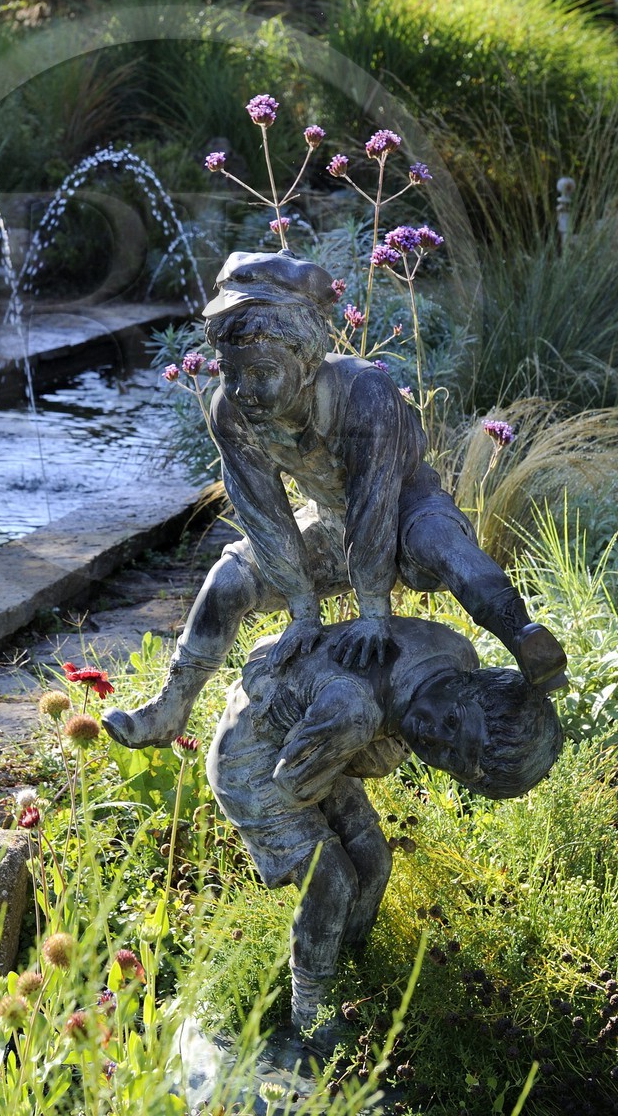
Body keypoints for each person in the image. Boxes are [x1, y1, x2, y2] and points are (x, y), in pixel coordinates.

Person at [104, 250, 566, 751]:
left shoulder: (364, 392)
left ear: (304, 360)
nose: (244, 391)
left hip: (408, 506)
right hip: (331, 522)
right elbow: (264, 513)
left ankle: (523, 636)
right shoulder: (232, 411)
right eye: (230, 373)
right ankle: (171, 707)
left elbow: (374, 504)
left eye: (260, 372)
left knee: (444, 547)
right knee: (227, 580)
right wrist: (302, 608)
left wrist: (373, 613)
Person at [206, 614, 564, 1041]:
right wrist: (375, 748)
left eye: (451, 758)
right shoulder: (352, 713)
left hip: (314, 742)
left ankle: (351, 968)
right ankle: (310, 1009)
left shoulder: (457, 660)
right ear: (471, 688)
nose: (433, 735)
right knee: (331, 878)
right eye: (451, 723)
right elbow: (296, 784)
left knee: (375, 859)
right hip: (255, 757)